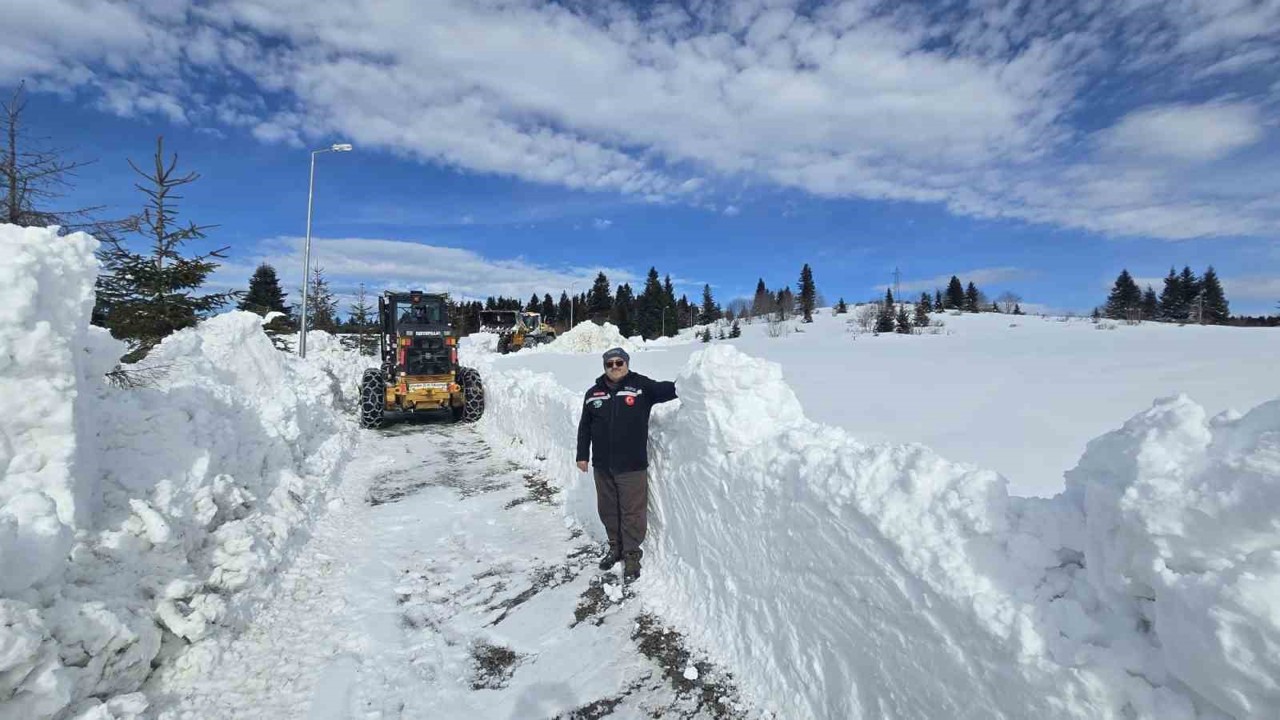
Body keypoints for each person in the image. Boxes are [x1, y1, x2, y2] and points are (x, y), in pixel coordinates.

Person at [576, 347, 677, 580]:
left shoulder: (642, 387)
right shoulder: (593, 394)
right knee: (608, 509)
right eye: (609, 364)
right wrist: (582, 455)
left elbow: (670, 389)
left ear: (627, 363)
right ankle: (615, 547)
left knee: (633, 512)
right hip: (602, 465)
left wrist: (694, 380)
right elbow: (585, 427)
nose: (614, 367)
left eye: (619, 362)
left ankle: (631, 553)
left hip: (632, 465)